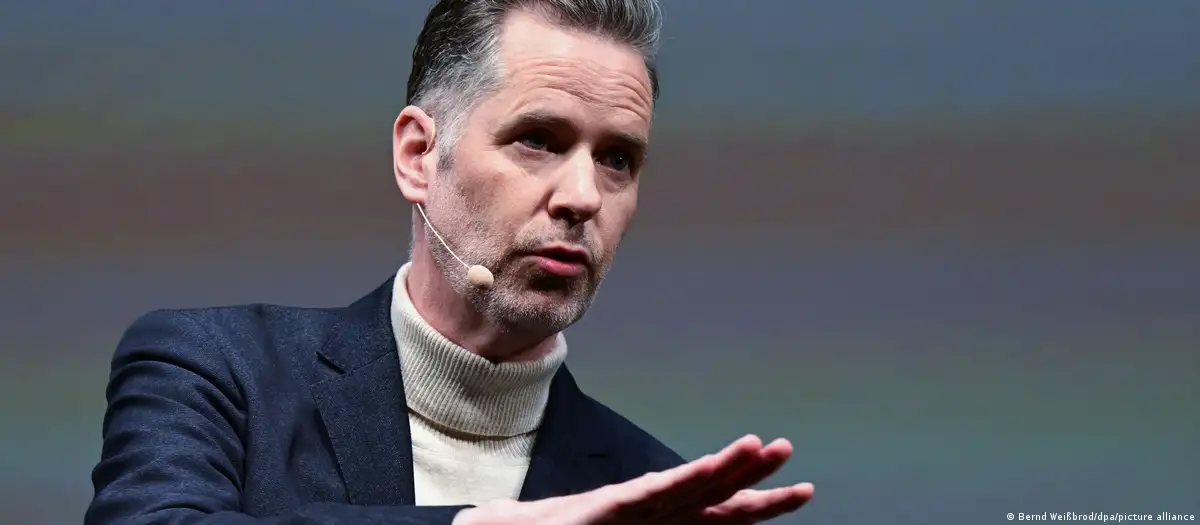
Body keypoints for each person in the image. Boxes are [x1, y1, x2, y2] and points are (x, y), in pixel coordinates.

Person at [85, 1, 815, 524]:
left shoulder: (659, 496)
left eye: (618, 158)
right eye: (538, 139)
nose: (584, 196)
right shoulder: (216, 370)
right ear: (417, 155)